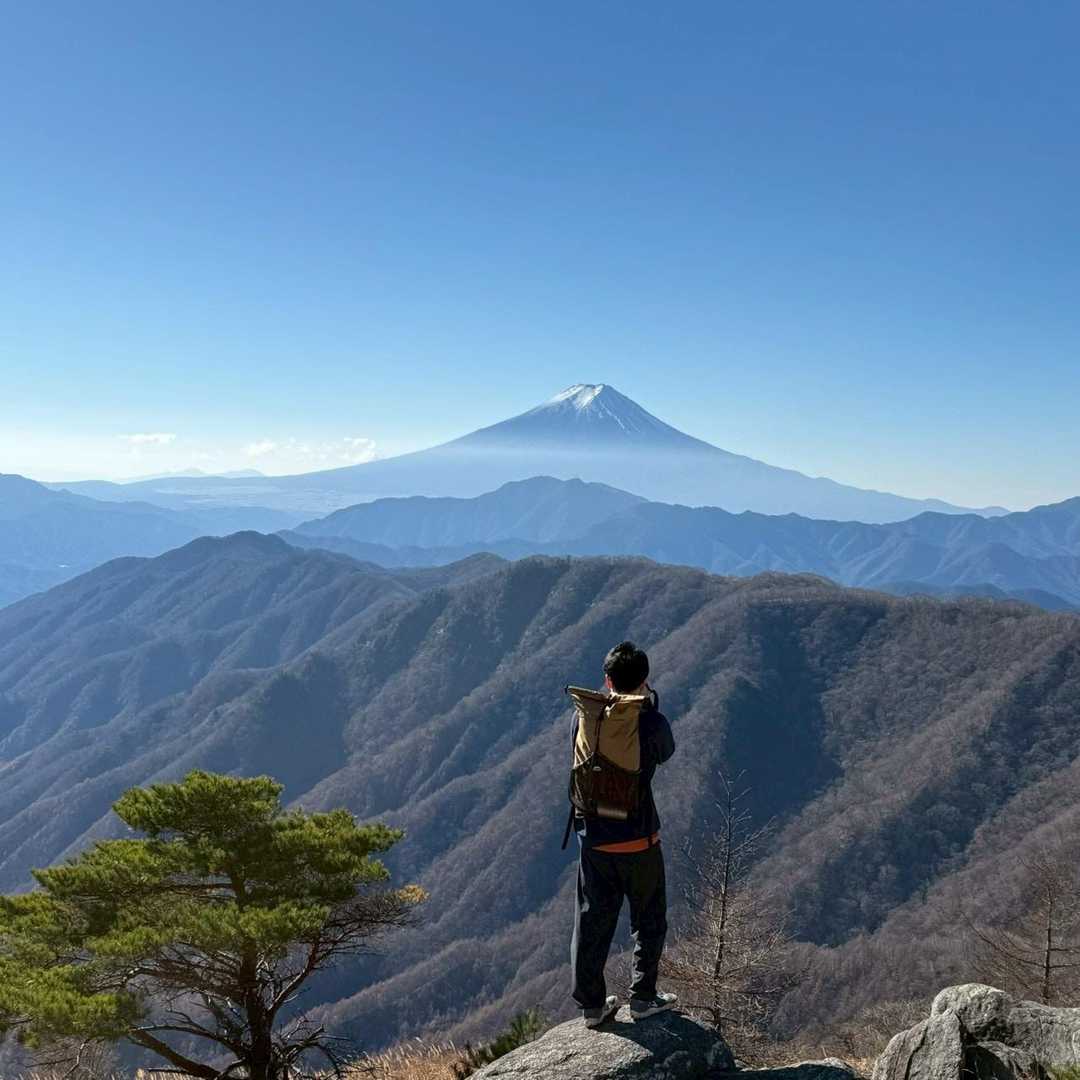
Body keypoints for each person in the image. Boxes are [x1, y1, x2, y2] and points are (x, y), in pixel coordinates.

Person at [570, 640, 677, 1028]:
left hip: (594, 840)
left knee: (591, 921)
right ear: (645, 680)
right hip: (639, 840)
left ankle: (592, 1006)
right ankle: (643, 998)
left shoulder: (587, 716)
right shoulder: (650, 722)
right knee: (649, 920)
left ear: (607, 680)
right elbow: (666, 752)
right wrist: (649, 707)